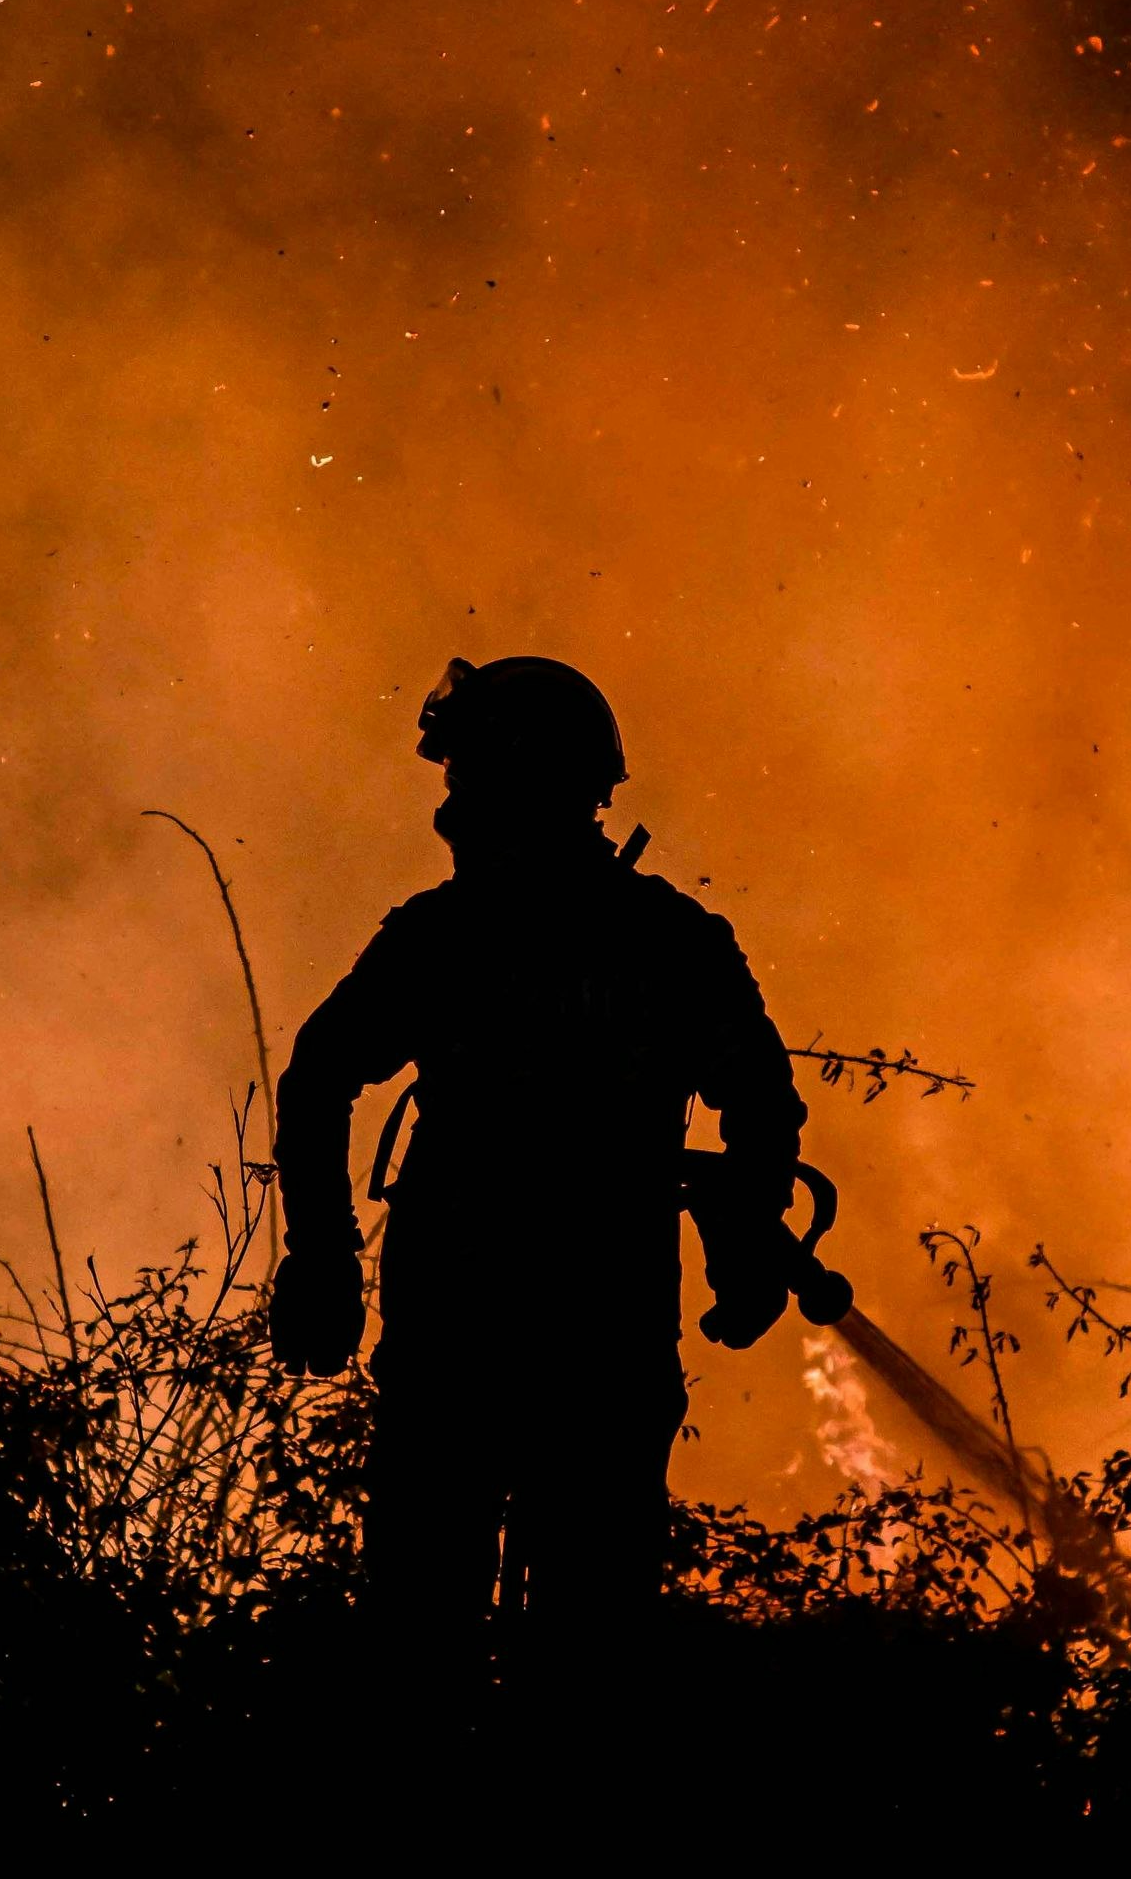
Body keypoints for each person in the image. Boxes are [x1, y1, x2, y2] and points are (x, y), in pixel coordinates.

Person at [269, 655, 811, 1706]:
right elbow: (760, 1100)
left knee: (421, 1643)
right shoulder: (670, 941)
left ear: (512, 781)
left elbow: (319, 1075)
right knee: (586, 1653)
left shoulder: (444, 936)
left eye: (463, 774)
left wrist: (324, 1258)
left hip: (460, 1337)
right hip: (599, 1338)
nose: (448, 801)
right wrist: (743, 1240)